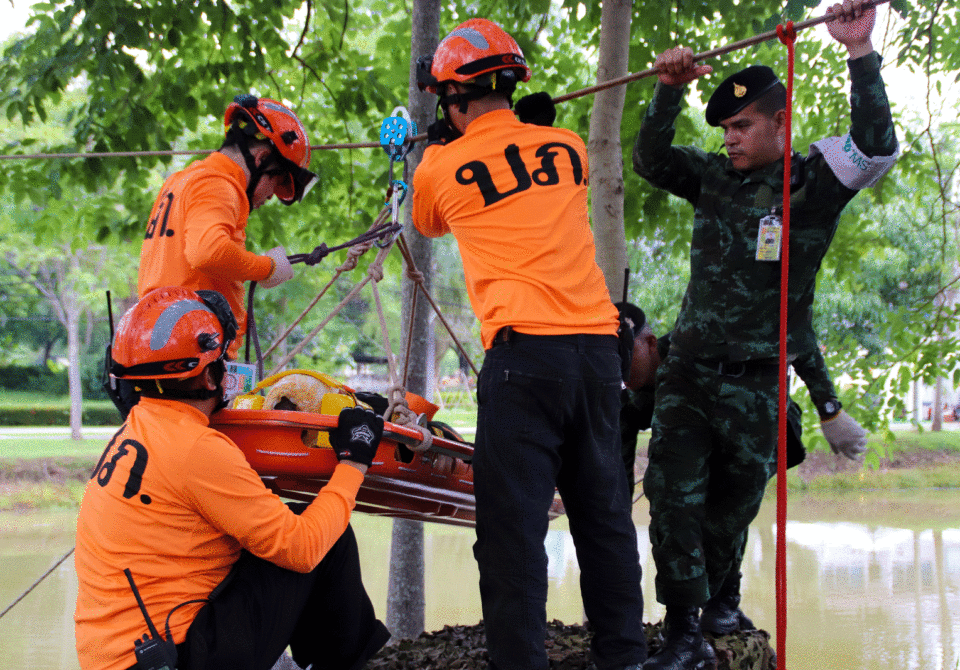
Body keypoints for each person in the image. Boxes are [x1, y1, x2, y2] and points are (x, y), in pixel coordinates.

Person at [631, 0, 897, 667]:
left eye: (742, 126)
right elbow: (650, 159)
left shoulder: (813, 184)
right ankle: (684, 631)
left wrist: (858, 51)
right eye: (722, 128)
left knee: (726, 515)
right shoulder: (713, 177)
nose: (729, 139)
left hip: (756, 386)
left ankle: (718, 598)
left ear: (782, 122)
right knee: (672, 496)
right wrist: (668, 90)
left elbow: (874, 141)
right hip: (687, 372)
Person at [411, 18, 647, 670]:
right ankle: (624, 659)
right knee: (603, 523)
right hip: (600, 357)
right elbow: (534, 167)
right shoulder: (567, 146)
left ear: (452, 99)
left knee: (513, 538)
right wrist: (528, 128)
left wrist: (435, 143)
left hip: (525, 366)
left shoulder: (443, 166)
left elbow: (425, 220)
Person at [75, 286, 390, 670]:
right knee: (326, 538)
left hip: (128, 654)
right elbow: (303, 548)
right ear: (210, 376)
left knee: (296, 525)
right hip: (176, 656)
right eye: (222, 358)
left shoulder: (138, 428)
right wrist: (353, 461)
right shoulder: (197, 448)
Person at [615, 302, 868, 636]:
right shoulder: (634, 392)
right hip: (698, 446)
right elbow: (622, 450)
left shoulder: (694, 344)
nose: (626, 380)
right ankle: (702, 610)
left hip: (757, 426)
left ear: (648, 344)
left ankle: (722, 600)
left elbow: (795, 338)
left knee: (727, 509)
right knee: (678, 511)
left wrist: (830, 410)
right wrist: (613, 500)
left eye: (626, 365)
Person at [138, 94, 319, 360]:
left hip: (166, 341)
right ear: (261, 159)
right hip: (190, 348)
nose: (271, 196)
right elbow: (207, 252)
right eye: (277, 181)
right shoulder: (218, 183)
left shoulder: (182, 180)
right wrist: (266, 268)